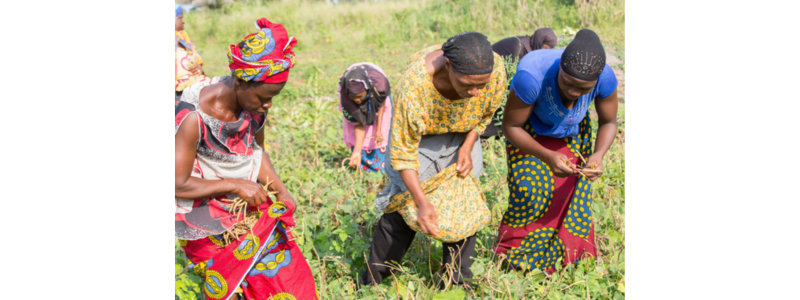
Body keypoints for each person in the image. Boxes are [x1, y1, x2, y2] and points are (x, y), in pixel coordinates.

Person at [175, 18, 318, 300]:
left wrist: (280, 188)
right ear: (240, 82)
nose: (268, 105)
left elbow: (256, 152)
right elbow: (176, 183)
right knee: (233, 289)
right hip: (205, 221)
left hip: (246, 209)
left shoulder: (255, 107)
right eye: (264, 98)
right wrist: (235, 185)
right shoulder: (194, 117)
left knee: (288, 278)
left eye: (273, 97)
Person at [360, 32, 506, 289]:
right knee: (405, 208)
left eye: (480, 86)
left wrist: (468, 145)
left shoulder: (492, 70)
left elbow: (487, 112)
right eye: (466, 84)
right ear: (448, 66)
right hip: (422, 136)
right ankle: (374, 282)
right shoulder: (417, 83)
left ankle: (456, 284)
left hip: (463, 130)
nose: (474, 92)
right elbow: (403, 152)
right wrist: (422, 201)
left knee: (463, 203)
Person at [493, 29, 618, 274]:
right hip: (529, 130)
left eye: (584, 90)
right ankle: (517, 257)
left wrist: (598, 155)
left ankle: (569, 256)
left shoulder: (606, 78)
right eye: (568, 84)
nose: (574, 92)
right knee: (528, 192)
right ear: (560, 65)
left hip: (573, 129)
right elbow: (511, 126)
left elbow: (609, 122)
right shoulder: (532, 75)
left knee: (571, 194)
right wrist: (547, 156)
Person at [481, 28, 557, 138]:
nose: (543, 52)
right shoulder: (519, 46)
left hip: (502, 78)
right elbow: (511, 74)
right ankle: (488, 134)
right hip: (490, 76)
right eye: (544, 48)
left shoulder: (531, 49)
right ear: (538, 41)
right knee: (509, 104)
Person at [338, 62, 392, 172]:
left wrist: (378, 130)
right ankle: (362, 164)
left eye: (359, 97)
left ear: (367, 91)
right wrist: (357, 152)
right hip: (356, 91)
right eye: (354, 98)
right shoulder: (347, 97)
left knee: (381, 132)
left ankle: (381, 168)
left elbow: (381, 104)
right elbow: (358, 122)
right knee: (360, 133)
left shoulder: (379, 86)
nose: (357, 100)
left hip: (377, 96)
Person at [175, 4, 210, 104]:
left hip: (193, 84)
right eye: (180, 18)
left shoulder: (183, 38)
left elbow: (195, 59)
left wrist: (198, 69)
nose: (183, 21)